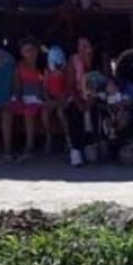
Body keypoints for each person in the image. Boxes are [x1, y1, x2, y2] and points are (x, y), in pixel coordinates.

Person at [66, 35, 101, 167]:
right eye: (80, 45)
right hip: (77, 95)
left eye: (85, 46)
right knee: (74, 111)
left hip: (95, 96)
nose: (82, 48)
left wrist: (91, 100)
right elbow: (70, 85)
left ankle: (91, 144)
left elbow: (102, 82)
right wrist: (79, 102)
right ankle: (76, 150)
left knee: (95, 111)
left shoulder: (98, 61)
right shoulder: (73, 60)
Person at [10, 38, 44, 163]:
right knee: (7, 109)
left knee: (29, 112)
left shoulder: (42, 66)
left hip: (37, 96)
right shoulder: (19, 67)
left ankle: (29, 146)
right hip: (22, 95)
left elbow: (44, 85)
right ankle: (8, 146)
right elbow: (17, 85)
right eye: (26, 50)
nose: (30, 53)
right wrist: (19, 98)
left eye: (32, 50)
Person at [42, 45, 71, 155]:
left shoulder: (66, 71)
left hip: (63, 99)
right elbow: (45, 88)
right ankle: (48, 138)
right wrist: (48, 99)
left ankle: (68, 138)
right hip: (51, 99)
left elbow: (67, 87)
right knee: (45, 113)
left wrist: (60, 100)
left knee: (60, 112)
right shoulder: (47, 71)